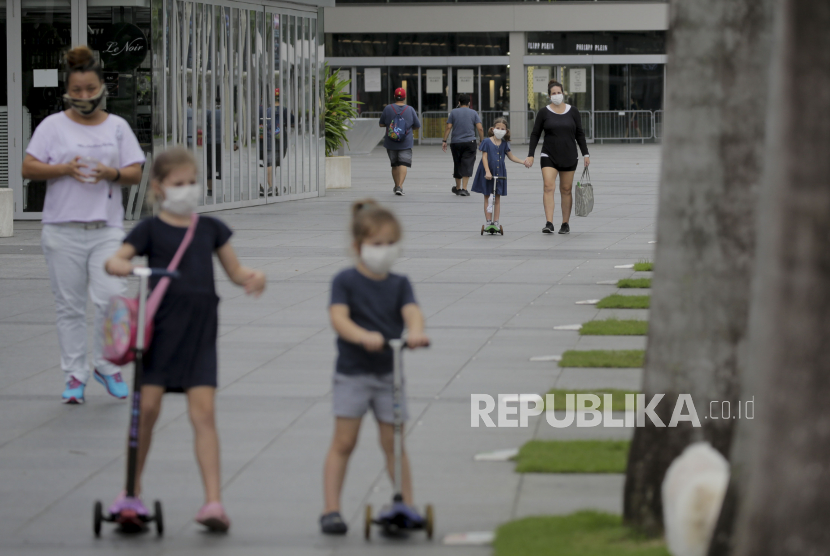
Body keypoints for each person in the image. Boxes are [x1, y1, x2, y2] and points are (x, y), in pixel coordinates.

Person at [104, 147, 266, 532]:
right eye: (179, 184)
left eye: (192, 183)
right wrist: (122, 264)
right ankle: (131, 491)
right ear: (159, 188)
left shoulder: (210, 229)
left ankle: (213, 501)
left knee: (204, 415)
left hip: (198, 338)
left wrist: (252, 277)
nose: (188, 190)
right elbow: (116, 259)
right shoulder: (149, 230)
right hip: (158, 338)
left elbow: (234, 269)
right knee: (146, 412)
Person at [21, 45, 145, 404]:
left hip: (106, 231)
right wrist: (63, 168)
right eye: (76, 91)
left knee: (110, 298)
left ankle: (106, 365)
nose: (84, 97)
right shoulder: (52, 127)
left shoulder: (118, 127)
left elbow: (135, 172)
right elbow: (28, 168)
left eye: (90, 90)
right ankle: (75, 375)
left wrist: (112, 173)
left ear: (102, 87)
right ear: (67, 91)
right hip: (62, 231)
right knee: (70, 307)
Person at [321, 199, 430, 535]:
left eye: (389, 244)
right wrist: (362, 335)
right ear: (358, 247)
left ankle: (405, 504)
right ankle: (332, 509)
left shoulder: (399, 284)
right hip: (353, 373)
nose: (383, 251)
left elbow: (412, 311)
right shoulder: (346, 281)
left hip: (388, 374)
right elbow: (338, 318)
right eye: (376, 244)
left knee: (394, 442)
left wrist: (415, 332)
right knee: (344, 441)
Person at [524, 80, 590, 234]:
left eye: (558, 93)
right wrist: (531, 154)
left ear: (563, 93)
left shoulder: (573, 111)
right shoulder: (543, 112)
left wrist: (585, 153)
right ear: (549, 96)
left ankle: (565, 223)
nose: (556, 95)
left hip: (569, 154)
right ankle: (549, 222)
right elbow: (535, 134)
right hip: (549, 154)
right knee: (548, 186)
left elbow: (580, 133)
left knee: (566, 189)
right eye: (553, 93)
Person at [470, 118, 528, 229]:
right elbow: (484, 157)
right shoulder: (487, 141)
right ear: (492, 129)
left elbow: (511, 156)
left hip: (499, 172)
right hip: (487, 172)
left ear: (506, 131)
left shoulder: (504, 143)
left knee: (497, 197)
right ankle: (488, 221)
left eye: (503, 129)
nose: (500, 130)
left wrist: (523, 162)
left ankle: (496, 221)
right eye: (498, 128)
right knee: (487, 196)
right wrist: (487, 171)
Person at [378, 88, 421, 196]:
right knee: (403, 163)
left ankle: (396, 185)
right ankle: (400, 186)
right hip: (405, 141)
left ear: (394, 96)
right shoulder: (410, 109)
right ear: (404, 97)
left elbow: (381, 124)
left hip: (391, 141)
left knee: (394, 164)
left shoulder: (388, 108)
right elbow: (417, 125)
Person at [442, 93, 484, 196]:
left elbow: (448, 127)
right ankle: (464, 189)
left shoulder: (453, 112)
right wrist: (482, 140)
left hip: (456, 142)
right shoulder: (473, 113)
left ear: (459, 102)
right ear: (469, 103)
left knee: (458, 163)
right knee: (468, 164)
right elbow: (480, 128)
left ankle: (457, 187)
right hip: (470, 142)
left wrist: (444, 140)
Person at [259, 88, 294, 196]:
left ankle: (271, 186)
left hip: (269, 140)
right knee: (276, 162)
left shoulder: (267, 110)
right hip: (281, 141)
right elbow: (292, 123)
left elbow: (261, 126)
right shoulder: (285, 110)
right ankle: (274, 186)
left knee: (270, 163)